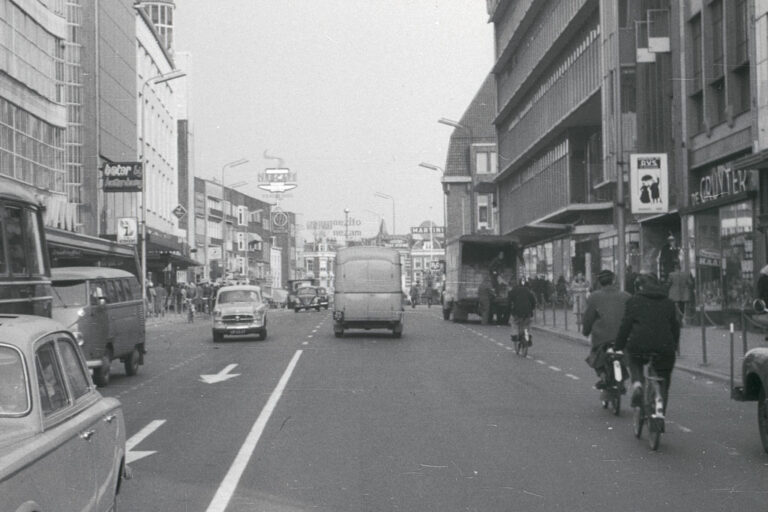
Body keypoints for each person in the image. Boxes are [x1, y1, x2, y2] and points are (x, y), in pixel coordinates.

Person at [615, 273, 680, 415]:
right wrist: (674, 347)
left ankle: (638, 384)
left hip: (639, 344)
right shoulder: (669, 302)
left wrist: (618, 346)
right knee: (664, 377)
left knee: (634, 360)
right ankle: (660, 412)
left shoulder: (634, 301)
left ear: (639, 287)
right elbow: (675, 327)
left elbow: (625, 326)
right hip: (664, 347)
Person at [581, 270, 630, 389]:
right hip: (623, 337)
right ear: (613, 280)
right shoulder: (626, 296)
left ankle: (603, 375)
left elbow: (588, 318)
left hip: (602, 338)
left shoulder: (594, 297)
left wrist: (586, 331)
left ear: (599, 282)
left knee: (595, 356)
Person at [509, 278, 536, 345]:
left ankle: (515, 335)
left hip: (517, 312)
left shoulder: (514, 291)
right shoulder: (529, 291)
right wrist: (532, 309)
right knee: (527, 325)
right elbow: (533, 302)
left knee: (514, 322)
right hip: (527, 312)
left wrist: (510, 308)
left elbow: (509, 300)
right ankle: (528, 337)